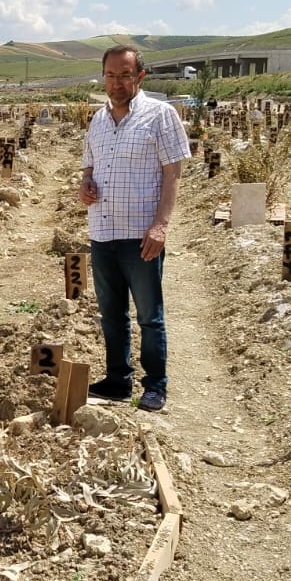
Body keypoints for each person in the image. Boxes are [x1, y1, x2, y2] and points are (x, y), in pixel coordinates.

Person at [78, 46, 191, 412]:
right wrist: (86, 183)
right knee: (111, 314)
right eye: (110, 76)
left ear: (140, 76)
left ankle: (155, 385)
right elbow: (89, 167)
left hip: (141, 233)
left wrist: (161, 225)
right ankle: (117, 381)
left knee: (149, 316)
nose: (117, 83)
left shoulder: (160, 115)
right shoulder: (98, 120)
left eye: (125, 75)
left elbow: (173, 174)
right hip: (103, 231)